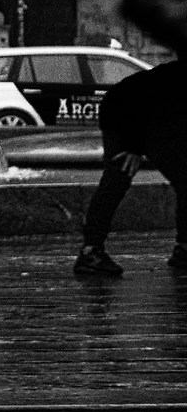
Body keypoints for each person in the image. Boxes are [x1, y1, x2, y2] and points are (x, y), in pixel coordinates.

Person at [74, 57, 187, 277]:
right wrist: (133, 146)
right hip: (123, 114)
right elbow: (141, 100)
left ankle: (184, 249)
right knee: (118, 177)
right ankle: (90, 252)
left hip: (152, 121)